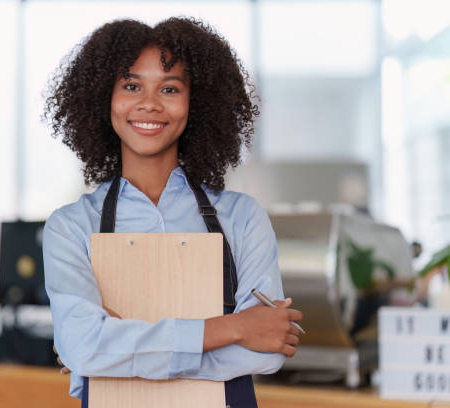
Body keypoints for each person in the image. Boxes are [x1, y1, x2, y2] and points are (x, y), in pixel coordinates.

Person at [42, 17, 303, 407]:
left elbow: (266, 350)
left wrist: (117, 351)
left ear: (195, 103)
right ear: (104, 99)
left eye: (169, 88)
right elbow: (84, 347)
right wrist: (232, 328)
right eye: (131, 86)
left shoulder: (244, 218)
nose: (149, 103)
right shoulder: (69, 227)